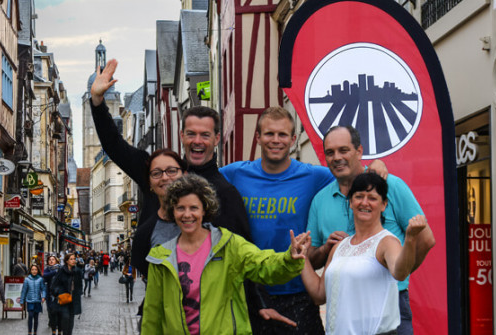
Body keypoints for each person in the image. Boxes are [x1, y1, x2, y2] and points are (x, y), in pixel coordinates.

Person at [220, 107, 387, 334]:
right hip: (252, 290)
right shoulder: (236, 174)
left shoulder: (314, 176)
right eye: (269, 134)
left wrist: (376, 165)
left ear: (293, 139)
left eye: (282, 135)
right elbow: (200, 178)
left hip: (298, 292)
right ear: (258, 137)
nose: (276, 140)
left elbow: (352, 172)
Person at [88, 60, 251, 278]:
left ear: (217, 139)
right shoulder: (162, 175)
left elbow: (244, 256)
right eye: (191, 134)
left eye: (205, 135)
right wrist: (98, 102)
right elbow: (116, 147)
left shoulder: (226, 193)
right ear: (182, 136)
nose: (197, 141)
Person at [307, 125, 436, 335]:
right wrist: (325, 249)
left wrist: (397, 274)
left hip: (389, 306)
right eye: (330, 152)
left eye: (343, 150)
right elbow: (312, 259)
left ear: (359, 151)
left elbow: (426, 239)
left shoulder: (391, 186)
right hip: (343, 308)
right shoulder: (320, 200)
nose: (337, 157)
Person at [141, 174, 309, 335]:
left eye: (194, 208)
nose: (187, 215)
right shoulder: (161, 257)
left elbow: (264, 265)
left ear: (204, 209)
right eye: (180, 208)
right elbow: (152, 314)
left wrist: (289, 258)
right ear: (172, 211)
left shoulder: (229, 245)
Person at [50, 253, 83, 335]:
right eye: (71, 259)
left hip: (73, 299)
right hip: (64, 299)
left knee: (71, 320)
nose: (73, 261)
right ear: (67, 261)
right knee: (65, 318)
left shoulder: (77, 271)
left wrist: (78, 293)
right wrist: (58, 294)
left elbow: (80, 285)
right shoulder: (62, 270)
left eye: (74, 259)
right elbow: (54, 284)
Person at [21, 264, 47, 335]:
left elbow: (43, 289)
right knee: (30, 316)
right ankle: (29, 332)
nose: (34, 271)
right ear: (30, 270)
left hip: (37, 301)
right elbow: (24, 291)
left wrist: (43, 296)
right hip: (30, 301)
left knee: (36, 318)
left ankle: (35, 332)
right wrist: (22, 300)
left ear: (38, 270)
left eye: (35, 269)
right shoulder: (27, 279)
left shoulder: (40, 279)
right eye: (33, 269)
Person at [42, 255, 62, 335]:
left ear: (56, 261)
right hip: (49, 293)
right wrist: (54, 272)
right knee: (49, 309)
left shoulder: (60, 269)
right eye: (49, 260)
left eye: (53, 259)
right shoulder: (47, 269)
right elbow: (44, 276)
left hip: (58, 293)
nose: (51, 261)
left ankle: (56, 324)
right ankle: (51, 321)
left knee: (57, 310)